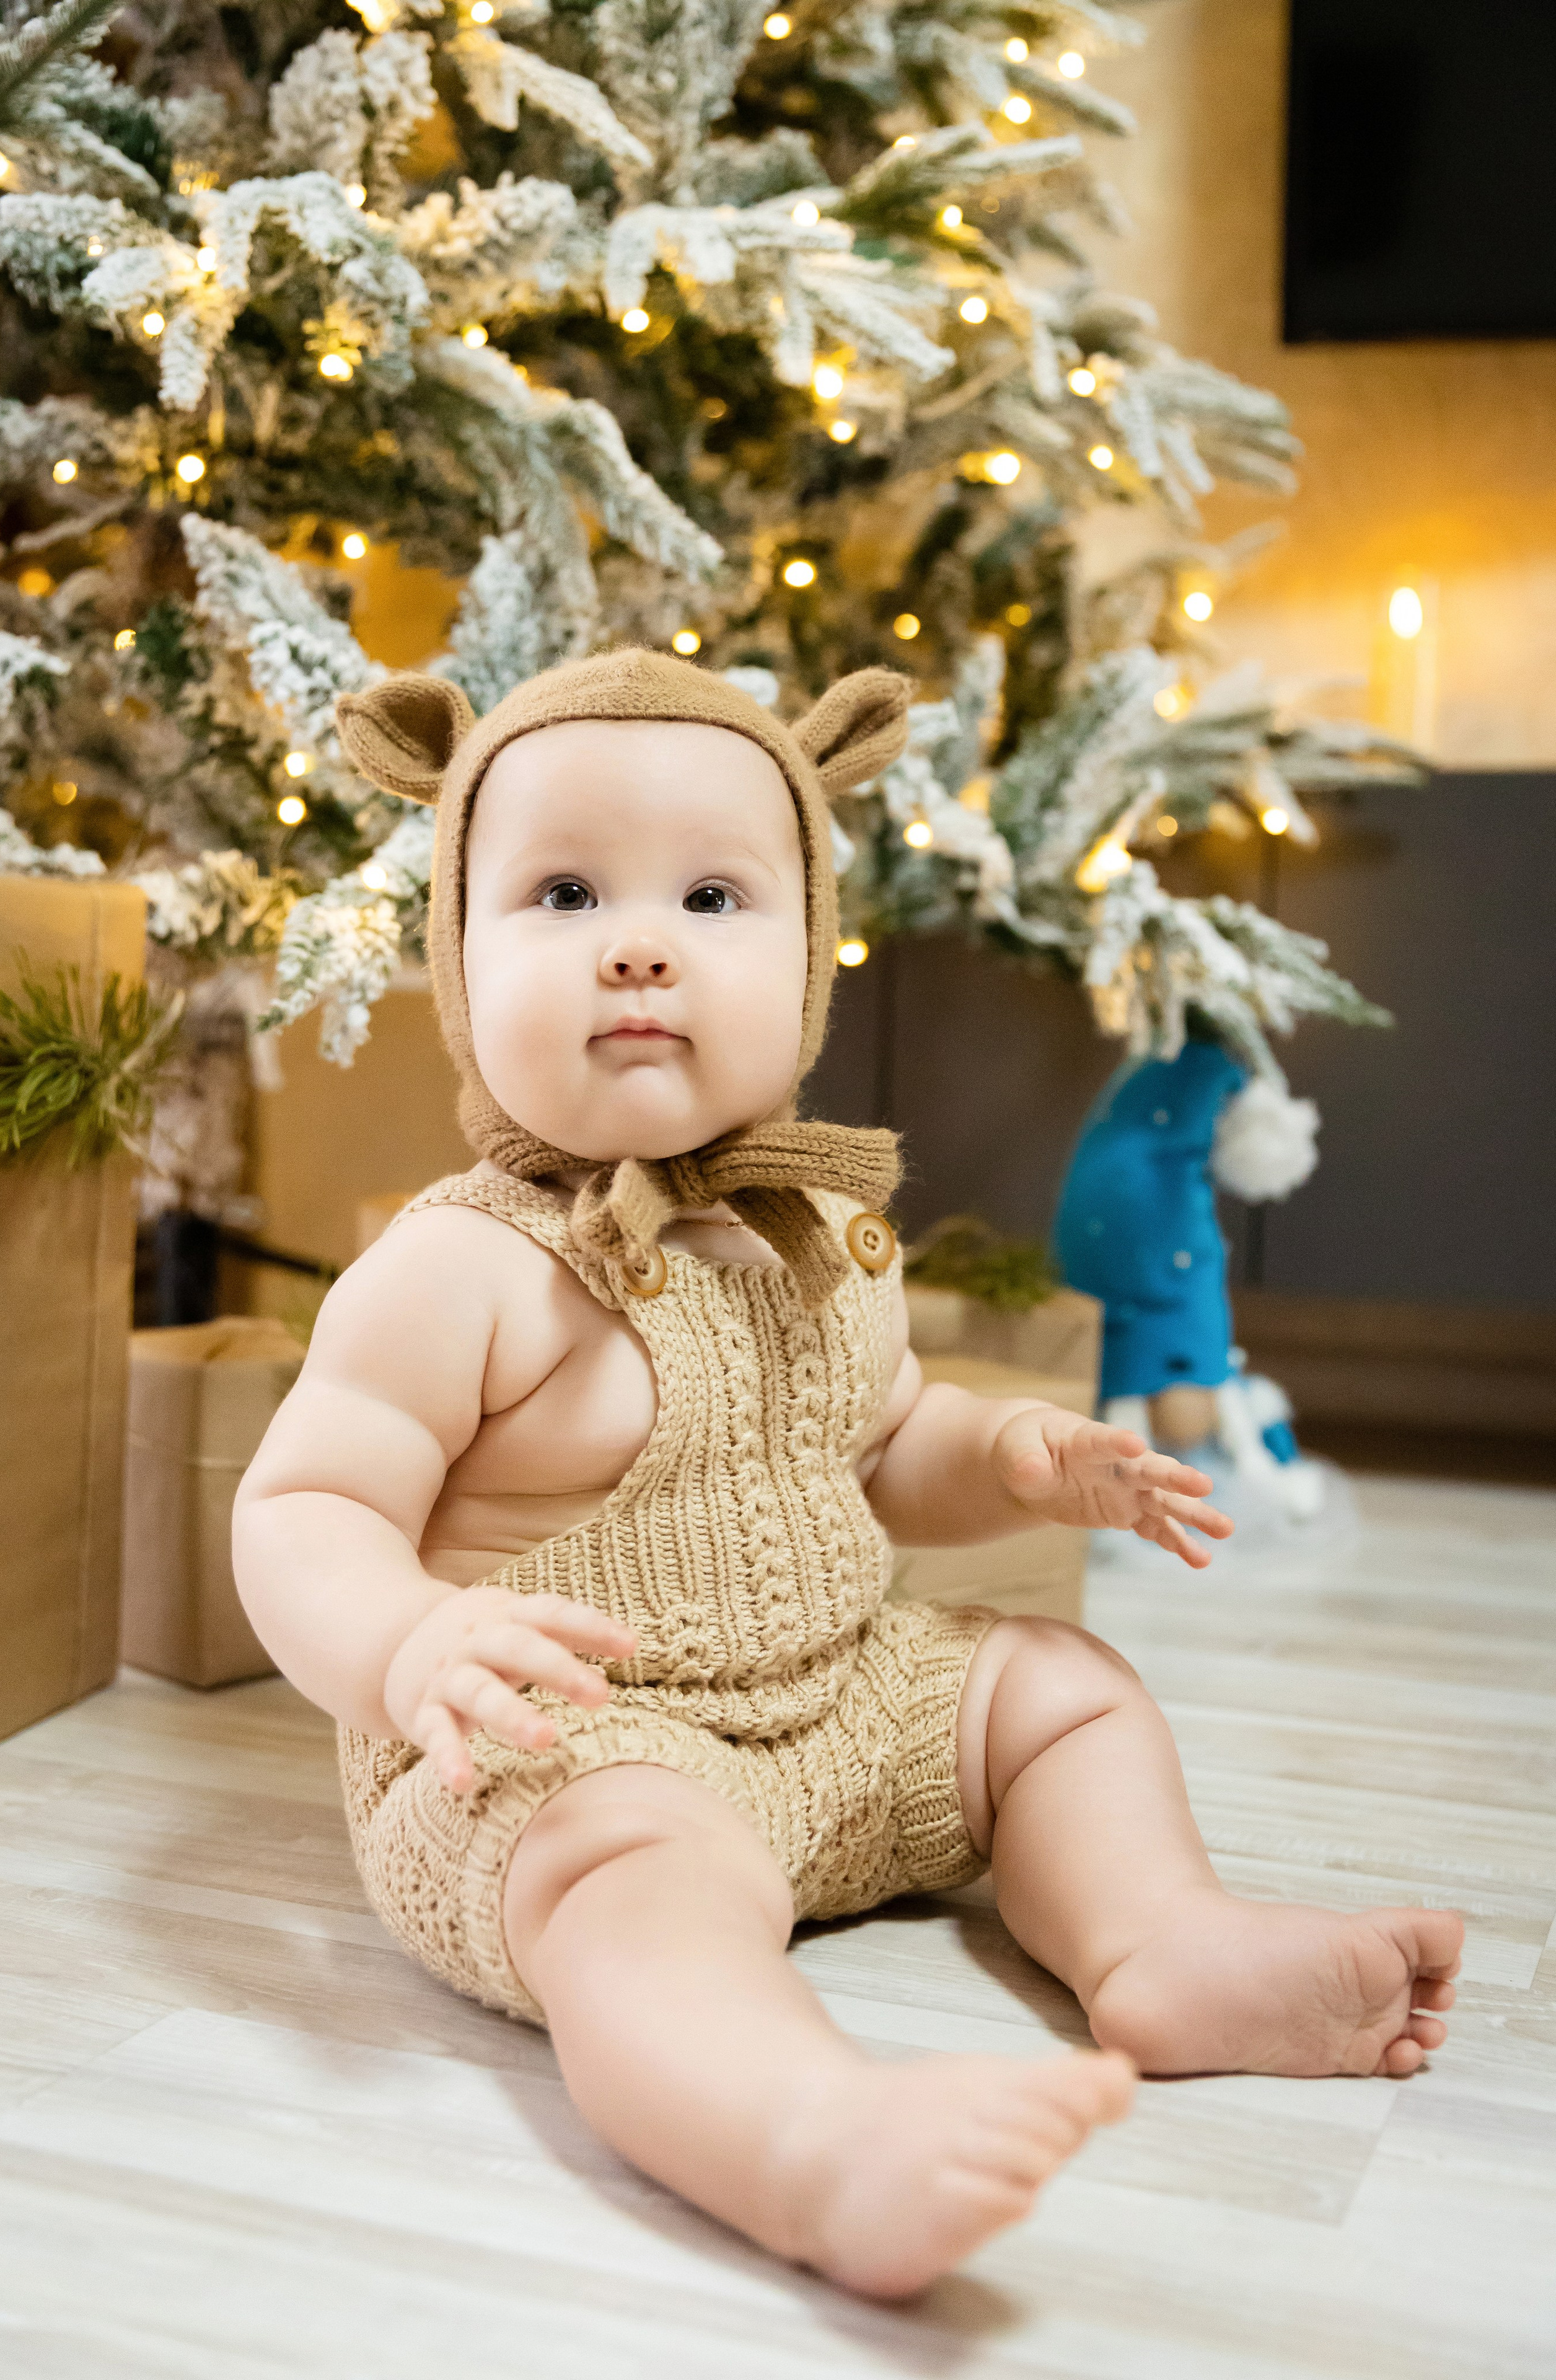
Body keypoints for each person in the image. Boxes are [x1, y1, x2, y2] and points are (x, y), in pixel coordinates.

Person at [232, 651, 1462, 2301]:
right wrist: (403, 1648)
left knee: (1061, 1688)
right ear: (460, 957)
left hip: (837, 1702)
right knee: (641, 1895)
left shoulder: (825, 1232)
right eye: (566, 889)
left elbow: (881, 1448)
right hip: (564, 1753)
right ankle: (807, 2137)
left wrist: (1013, 1456)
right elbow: (305, 1509)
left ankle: (1159, 1940)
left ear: (810, 957)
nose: (640, 939)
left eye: (716, 893)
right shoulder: (457, 1269)